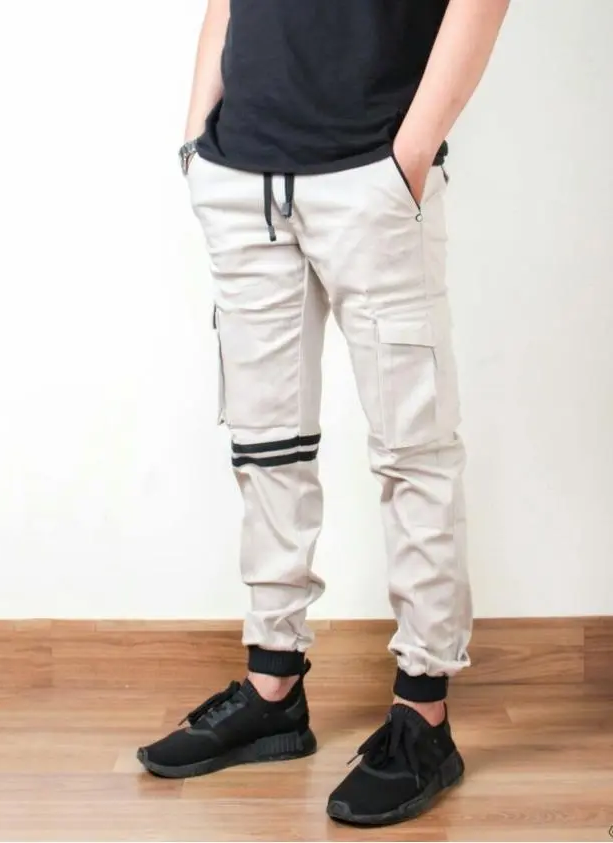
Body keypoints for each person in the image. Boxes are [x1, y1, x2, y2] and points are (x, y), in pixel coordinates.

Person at [138, 0, 510, 826]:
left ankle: (423, 714)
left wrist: (409, 157)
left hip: (371, 170)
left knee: (414, 449)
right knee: (264, 443)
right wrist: (199, 142)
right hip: (241, 175)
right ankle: (272, 686)